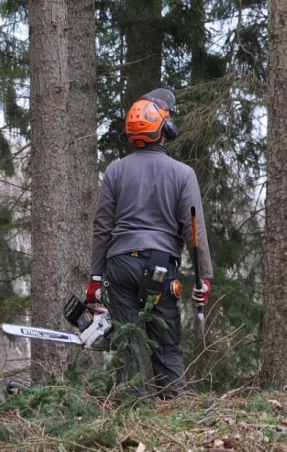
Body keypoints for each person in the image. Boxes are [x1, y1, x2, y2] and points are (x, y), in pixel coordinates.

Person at [85, 87, 213, 399]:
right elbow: (194, 230)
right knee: (167, 346)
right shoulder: (183, 174)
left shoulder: (115, 170)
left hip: (120, 266)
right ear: (165, 128)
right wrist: (205, 278)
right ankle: (174, 407)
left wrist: (95, 277)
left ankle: (131, 410)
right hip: (160, 267)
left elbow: (103, 227)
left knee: (127, 345)